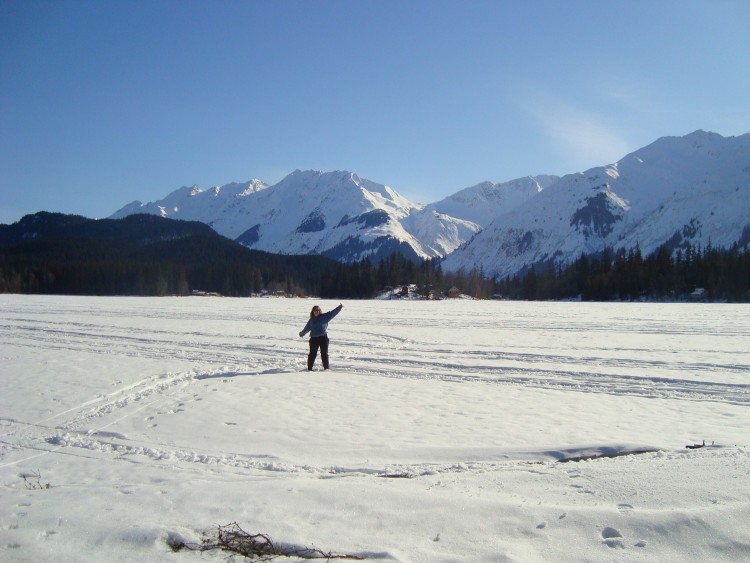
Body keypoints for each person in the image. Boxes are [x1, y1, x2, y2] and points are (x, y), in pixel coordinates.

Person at [299, 303, 343, 371]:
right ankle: (309, 369)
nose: (316, 312)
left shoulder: (324, 317)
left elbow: (332, 313)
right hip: (314, 339)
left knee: (324, 354)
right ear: (313, 312)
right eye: (315, 311)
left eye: (317, 310)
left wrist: (339, 307)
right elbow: (307, 328)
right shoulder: (311, 320)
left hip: (323, 338)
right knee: (312, 354)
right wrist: (302, 333)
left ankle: (326, 368)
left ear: (319, 311)